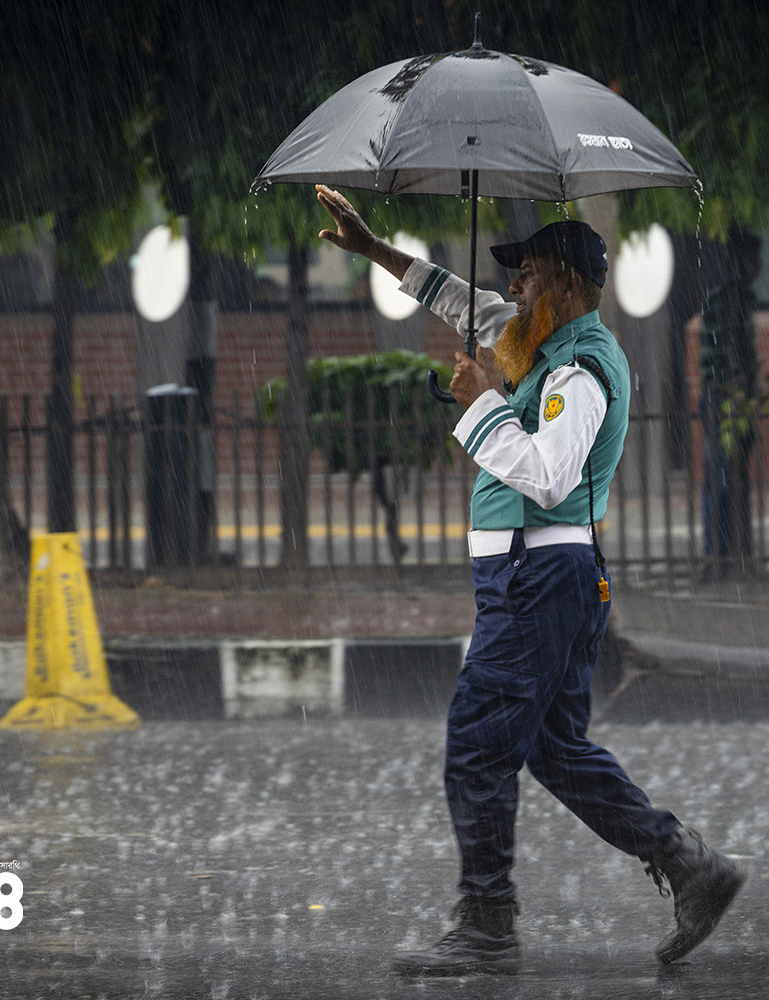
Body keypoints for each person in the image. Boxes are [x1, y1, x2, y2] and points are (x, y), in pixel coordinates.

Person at [315, 185, 745, 976]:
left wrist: (481, 408)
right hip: (539, 577)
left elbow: (548, 476)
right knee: (553, 749)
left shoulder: (576, 367)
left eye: (530, 274)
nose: (512, 286)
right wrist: (373, 249)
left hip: (538, 574)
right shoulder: (533, 339)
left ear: (569, 286)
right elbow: (459, 301)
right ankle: (690, 865)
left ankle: (486, 924)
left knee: (477, 748)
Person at [699, 227, 761, 576]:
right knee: (719, 477)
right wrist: (739, 391)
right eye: (755, 258)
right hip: (723, 399)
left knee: (725, 477)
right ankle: (716, 555)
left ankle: (725, 553)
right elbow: (732, 358)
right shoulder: (730, 301)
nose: (760, 265)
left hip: (726, 398)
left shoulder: (734, 298)